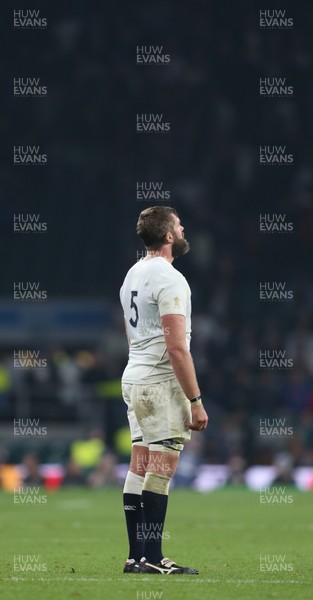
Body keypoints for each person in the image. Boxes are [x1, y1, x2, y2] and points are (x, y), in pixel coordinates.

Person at [120, 206, 208, 575]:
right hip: (158, 382)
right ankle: (154, 559)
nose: (183, 228)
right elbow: (176, 348)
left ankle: (136, 556)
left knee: (139, 463)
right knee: (162, 466)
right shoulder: (170, 278)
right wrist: (196, 401)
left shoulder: (132, 274)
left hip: (133, 376)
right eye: (179, 224)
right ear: (169, 236)